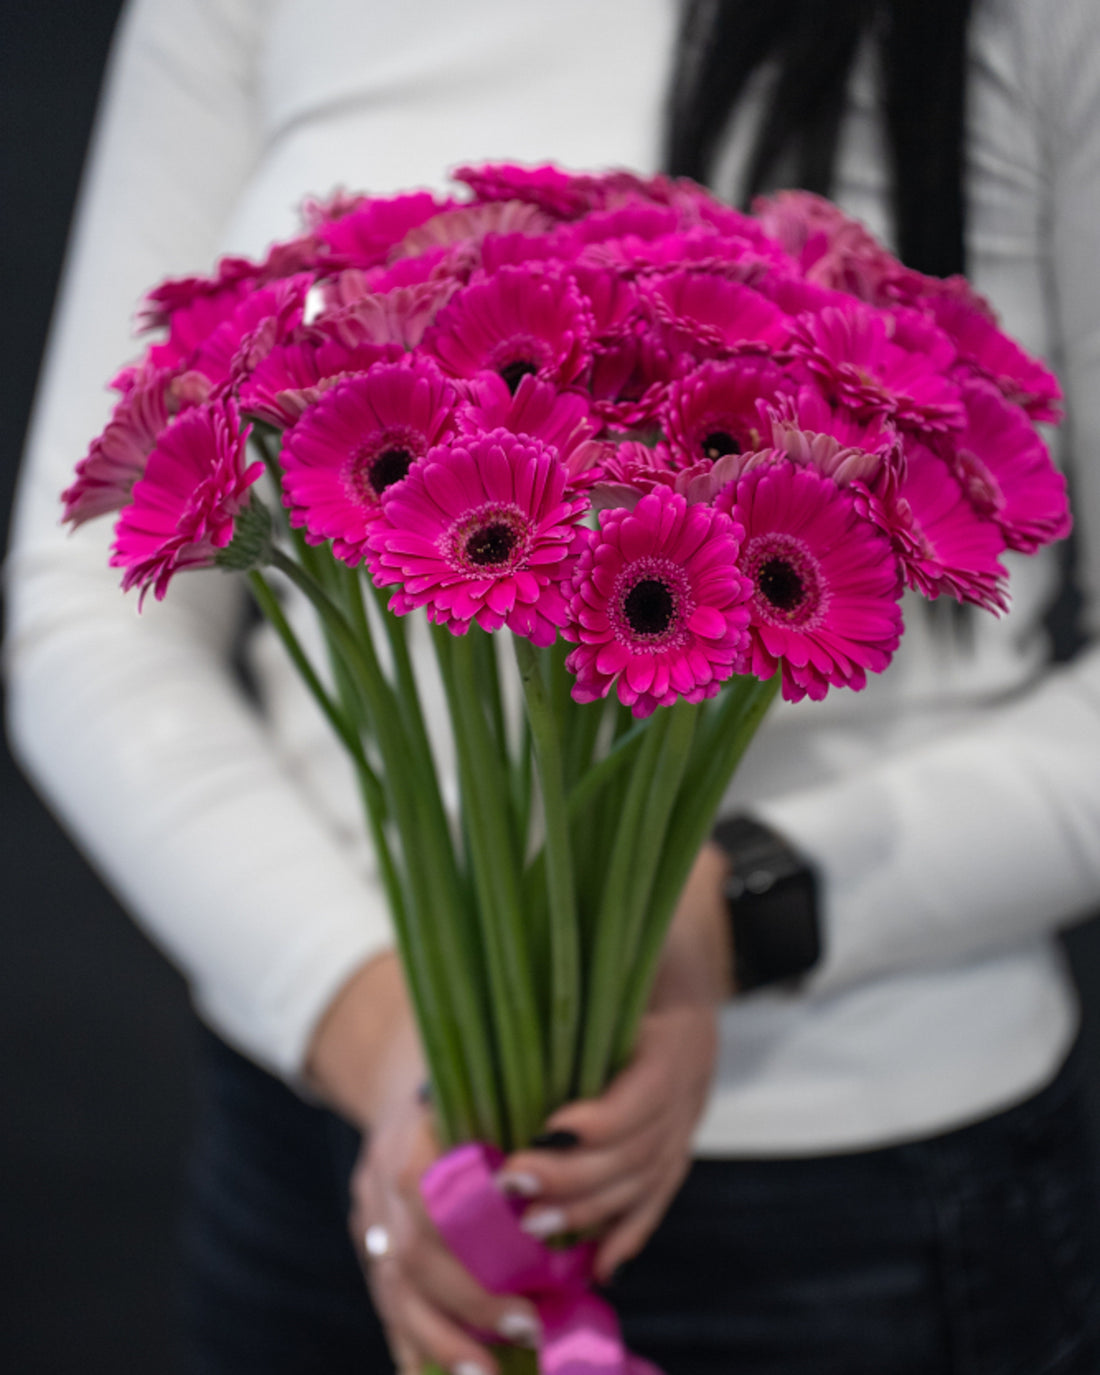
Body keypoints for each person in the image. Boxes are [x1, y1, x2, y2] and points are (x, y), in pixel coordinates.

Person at [7, 0, 1100, 1371]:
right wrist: (377, 1029)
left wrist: (726, 915)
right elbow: (82, 611)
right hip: (332, 1153)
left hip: (865, 1205)